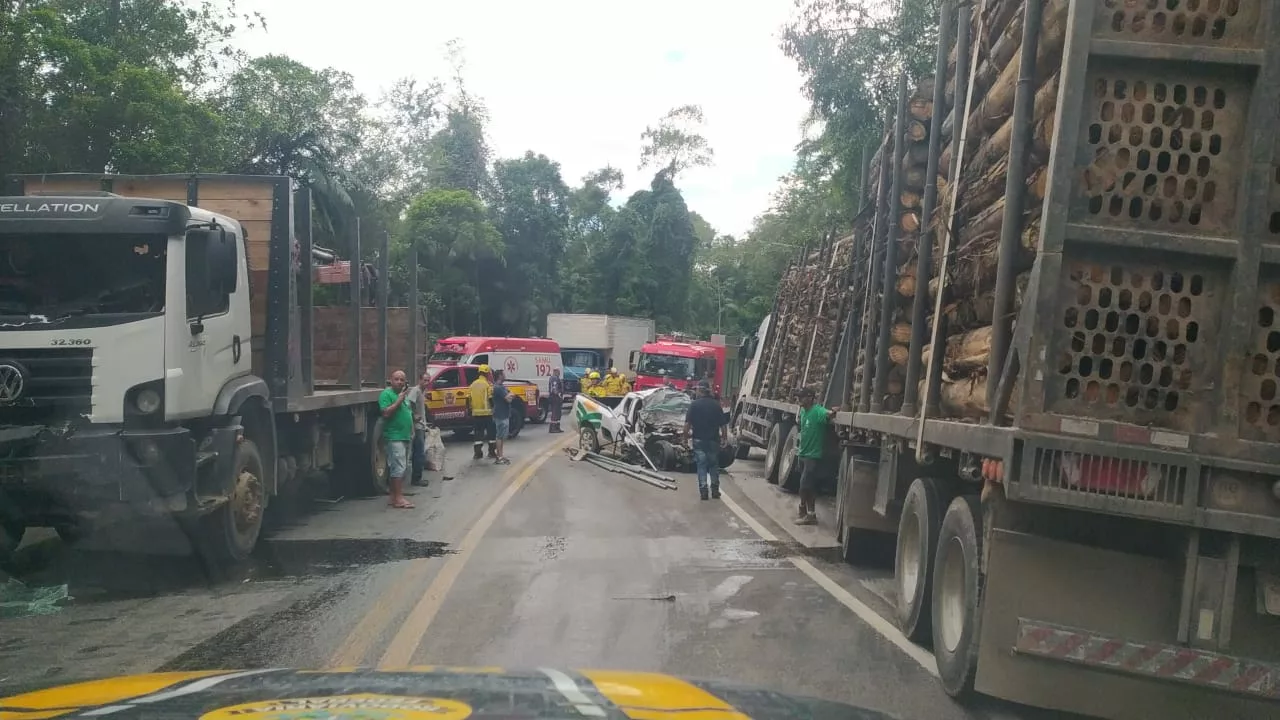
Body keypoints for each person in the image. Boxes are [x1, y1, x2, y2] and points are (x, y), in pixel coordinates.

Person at [795, 387, 836, 525]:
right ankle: (811, 514)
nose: (799, 399)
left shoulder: (817, 411)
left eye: (802, 397)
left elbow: (828, 414)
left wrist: (833, 412)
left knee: (804, 485)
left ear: (811, 398)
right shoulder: (803, 411)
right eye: (798, 397)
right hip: (803, 453)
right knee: (809, 486)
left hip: (813, 456)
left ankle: (802, 509)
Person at [684, 380, 728, 501]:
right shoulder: (716, 405)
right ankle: (715, 490)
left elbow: (687, 424)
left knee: (701, 465)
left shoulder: (694, 405)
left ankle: (703, 490)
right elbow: (723, 425)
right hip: (713, 440)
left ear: (700, 390)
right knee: (713, 465)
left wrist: (685, 437)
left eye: (697, 389)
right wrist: (724, 438)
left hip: (698, 440)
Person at [378, 370, 414, 509]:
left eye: (402, 380)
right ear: (390, 380)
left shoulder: (403, 395)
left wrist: (411, 431)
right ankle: (398, 498)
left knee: (400, 467)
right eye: (396, 379)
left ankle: (393, 497)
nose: (399, 382)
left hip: (404, 436)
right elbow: (386, 413)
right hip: (394, 437)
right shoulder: (386, 394)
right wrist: (398, 400)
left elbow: (407, 413)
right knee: (398, 468)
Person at [405, 370, 430, 487]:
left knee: (419, 452)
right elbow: (408, 403)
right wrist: (414, 415)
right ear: (420, 380)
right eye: (424, 380)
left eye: (428, 380)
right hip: (417, 426)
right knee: (419, 452)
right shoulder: (416, 390)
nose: (426, 382)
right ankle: (416, 478)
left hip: (421, 425)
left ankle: (417, 477)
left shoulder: (422, 391)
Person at [467, 364, 496, 460]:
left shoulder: (472, 385)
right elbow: (490, 398)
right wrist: (493, 408)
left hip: (476, 414)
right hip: (487, 414)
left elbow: (468, 399)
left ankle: (477, 453)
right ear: (487, 373)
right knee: (491, 434)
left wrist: (469, 410)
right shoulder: (487, 385)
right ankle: (491, 452)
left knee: (478, 434)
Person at [490, 369, 512, 465]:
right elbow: (509, 399)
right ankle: (499, 457)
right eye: (503, 374)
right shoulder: (498, 387)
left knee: (502, 437)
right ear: (499, 376)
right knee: (499, 436)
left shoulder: (501, 387)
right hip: (500, 415)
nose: (505, 375)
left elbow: (509, 395)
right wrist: (510, 395)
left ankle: (501, 455)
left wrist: (510, 395)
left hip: (502, 414)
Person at [547, 368, 564, 433]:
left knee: (558, 413)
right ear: (555, 372)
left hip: (555, 397)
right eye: (558, 372)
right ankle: (553, 428)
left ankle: (557, 427)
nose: (559, 373)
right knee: (555, 413)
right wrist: (559, 395)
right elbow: (554, 388)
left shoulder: (554, 378)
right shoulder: (554, 378)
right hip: (555, 397)